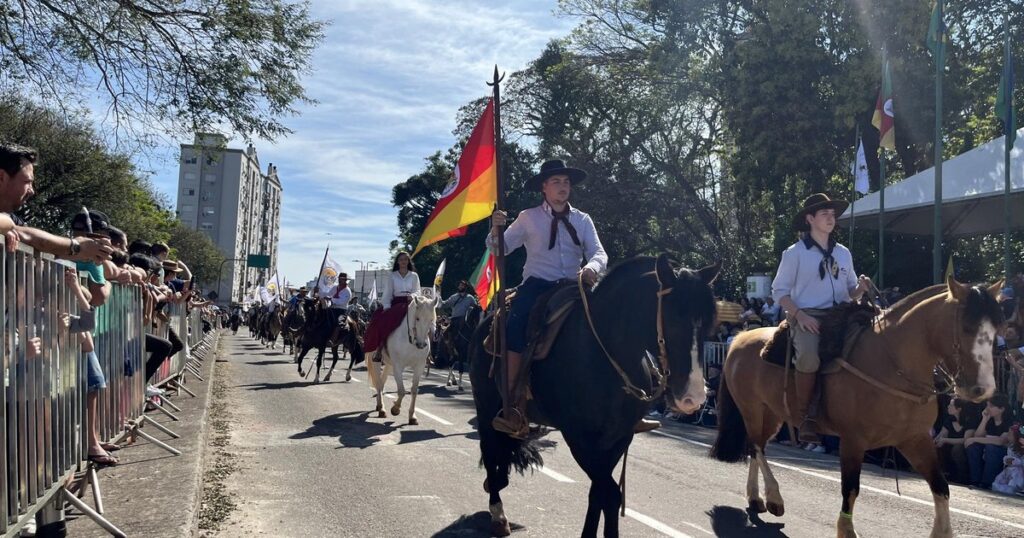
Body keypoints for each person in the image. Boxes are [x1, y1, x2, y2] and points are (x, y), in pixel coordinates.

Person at [487, 158, 618, 438]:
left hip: (574, 285)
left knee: (613, 322)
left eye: (566, 182)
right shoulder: (528, 217)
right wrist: (495, 228)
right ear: (544, 187)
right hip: (537, 285)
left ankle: (625, 399)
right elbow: (501, 248)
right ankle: (512, 403)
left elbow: (599, 252)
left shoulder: (582, 219)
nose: (562, 186)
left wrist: (592, 268)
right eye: (556, 182)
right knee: (515, 326)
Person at [771, 193, 872, 443]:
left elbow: (850, 291)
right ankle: (806, 416)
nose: (830, 218)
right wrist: (801, 315)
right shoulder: (794, 253)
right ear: (810, 219)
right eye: (824, 214)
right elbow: (779, 292)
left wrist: (860, 289)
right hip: (808, 314)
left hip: (842, 314)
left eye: (832, 214)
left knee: (871, 342)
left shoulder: (843, 253)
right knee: (808, 357)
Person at [363, 251, 420, 361]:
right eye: (401, 259)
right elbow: (388, 293)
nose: (403, 261)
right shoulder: (392, 275)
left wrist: (413, 296)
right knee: (379, 320)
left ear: (408, 261)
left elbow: (418, 291)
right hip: (396, 303)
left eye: (405, 259)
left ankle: (426, 351)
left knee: (425, 319)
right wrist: (387, 308)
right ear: (397, 262)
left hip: (411, 302)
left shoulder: (414, 276)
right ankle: (379, 348)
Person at [966, 393, 1013, 489]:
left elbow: (1001, 441)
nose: (987, 409)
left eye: (991, 406)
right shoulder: (990, 420)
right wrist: (984, 419)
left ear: (1001, 409)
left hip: (1003, 452)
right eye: (987, 405)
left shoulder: (1009, 422)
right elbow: (978, 435)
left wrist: (974, 439)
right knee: (973, 447)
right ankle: (975, 481)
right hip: (987, 449)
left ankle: (987, 483)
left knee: (991, 448)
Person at [934, 398, 976, 484]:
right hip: (949, 446)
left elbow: (965, 440)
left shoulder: (970, 421)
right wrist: (936, 441)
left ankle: (963, 476)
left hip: (964, 448)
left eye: (951, 405)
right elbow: (942, 434)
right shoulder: (950, 420)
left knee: (957, 449)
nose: (948, 406)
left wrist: (945, 440)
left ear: (959, 409)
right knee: (937, 446)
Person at [992, 423, 1024, 495]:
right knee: (1003, 476)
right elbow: (1008, 456)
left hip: (1020, 471)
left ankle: (1016, 488)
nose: (1007, 435)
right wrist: (1007, 460)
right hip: (1010, 469)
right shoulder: (1011, 447)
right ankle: (1002, 487)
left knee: (1015, 474)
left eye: (1010, 434)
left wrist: (1015, 461)